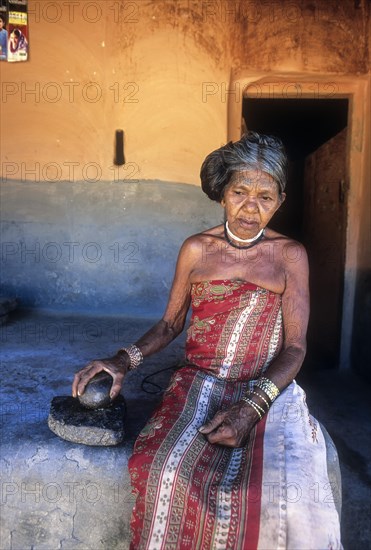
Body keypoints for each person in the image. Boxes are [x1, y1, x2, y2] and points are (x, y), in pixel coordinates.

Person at [72, 132, 341, 549]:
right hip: (200, 382)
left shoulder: (291, 256)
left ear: (281, 201)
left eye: (265, 198)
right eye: (240, 192)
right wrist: (122, 360)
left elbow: (295, 347)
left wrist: (250, 410)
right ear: (222, 194)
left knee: (286, 493)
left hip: (267, 389)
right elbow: (169, 324)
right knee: (161, 469)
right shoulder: (197, 249)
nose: (250, 207)